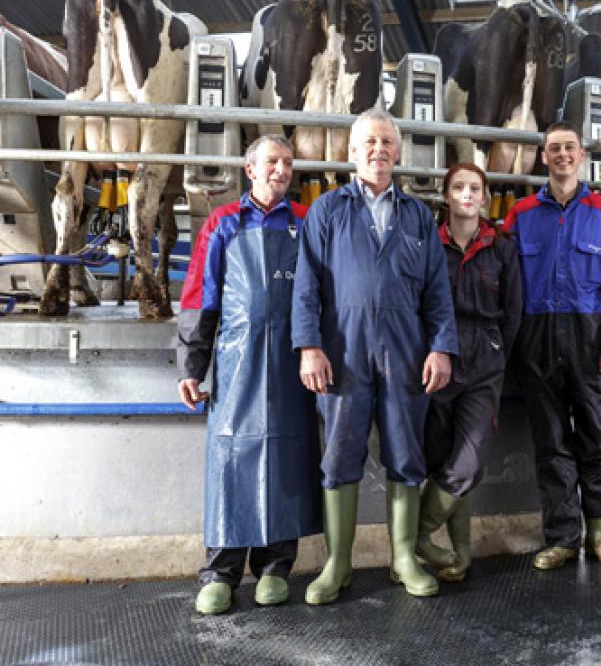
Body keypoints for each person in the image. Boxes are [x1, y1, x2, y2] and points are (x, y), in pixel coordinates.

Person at [292, 108, 458, 602]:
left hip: (407, 351)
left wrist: (442, 347)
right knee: (340, 451)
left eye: (387, 142)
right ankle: (337, 564)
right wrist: (309, 348)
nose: (379, 149)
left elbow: (438, 293)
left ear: (398, 152)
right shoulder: (327, 210)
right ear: (351, 152)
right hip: (342, 351)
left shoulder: (418, 217)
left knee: (407, 452)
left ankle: (403, 558)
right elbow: (306, 287)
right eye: (369, 142)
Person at [177, 134, 322, 615]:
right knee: (230, 454)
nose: (280, 170)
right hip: (236, 363)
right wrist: (192, 364)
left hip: (292, 361)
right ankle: (220, 571)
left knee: (286, 456)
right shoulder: (222, 224)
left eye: (287, 163)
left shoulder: (307, 224)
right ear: (249, 168)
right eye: (271, 162)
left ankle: (276, 567)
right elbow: (201, 296)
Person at [503, 121, 601, 571]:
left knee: (597, 437)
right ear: (544, 157)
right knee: (552, 441)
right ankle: (563, 538)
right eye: (554, 148)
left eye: (569, 148)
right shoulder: (520, 215)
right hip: (536, 339)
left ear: (581, 156)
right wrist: (513, 341)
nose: (562, 155)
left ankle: (599, 533)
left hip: (591, 338)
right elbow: (506, 282)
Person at [417, 163, 522, 582]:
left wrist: (496, 354)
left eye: (474, 188)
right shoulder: (429, 243)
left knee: (468, 461)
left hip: (484, 364)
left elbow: (513, 311)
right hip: (438, 361)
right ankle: (459, 556)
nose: (466, 194)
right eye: (458, 187)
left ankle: (416, 539)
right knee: (440, 459)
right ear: (446, 195)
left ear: (484, 196)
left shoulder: (501, 246)